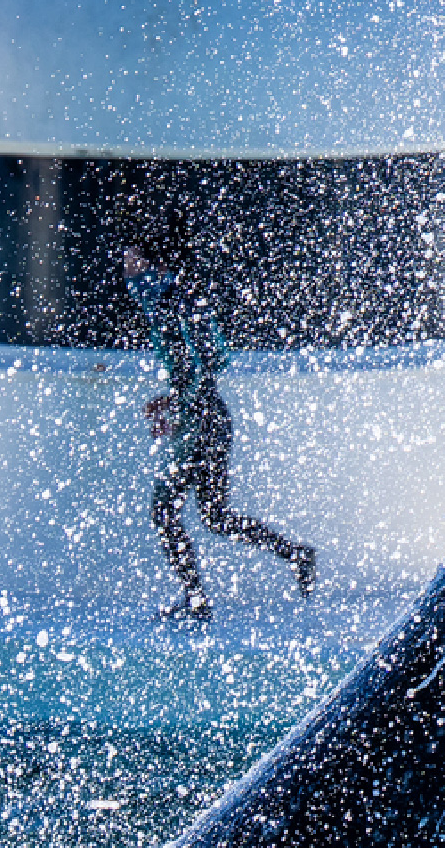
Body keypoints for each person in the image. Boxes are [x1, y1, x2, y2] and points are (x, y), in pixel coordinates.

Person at [123, 247, 316, 626]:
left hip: (201, 425)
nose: (128, 273)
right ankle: (293, 555)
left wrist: (175, 406)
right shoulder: (179, 303)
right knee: (214, 516)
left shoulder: (169, 306)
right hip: (207, 421)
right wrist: (174, 403)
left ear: (158, 263)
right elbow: (207, 364)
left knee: (167, 512)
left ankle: (198, 599)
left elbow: (199, 369)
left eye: (134, 263)